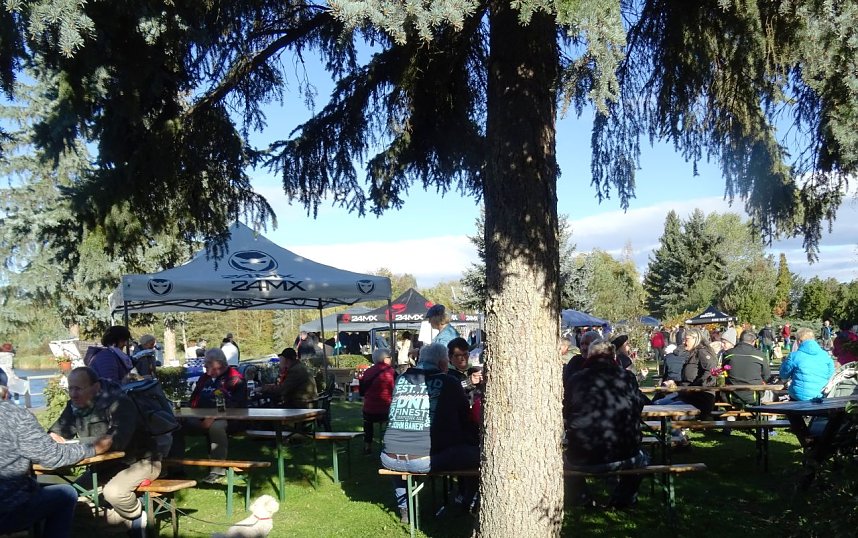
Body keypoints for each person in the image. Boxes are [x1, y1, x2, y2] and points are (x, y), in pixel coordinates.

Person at [48, 367, 159, 535]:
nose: (73, 394)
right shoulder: (75, 407)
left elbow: (114, 442)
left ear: (96, 387)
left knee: (113, 493)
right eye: (70, 388)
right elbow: (57, 432)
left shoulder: (120, 403)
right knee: (71, 499)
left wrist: (75, 447)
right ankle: (118, 523)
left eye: (78, 388)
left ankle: (136, 516)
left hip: (140, 462)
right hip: (102, 467)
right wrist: (52, 437)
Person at [381, 343, 478, 523]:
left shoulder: (402, 379)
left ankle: (404, 509)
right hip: (424, 459)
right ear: (443, 363)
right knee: (481, 456)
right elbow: (465, 416)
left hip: (388, 456)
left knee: (401, 448)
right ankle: (466, 502)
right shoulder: (449, 382)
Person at [0, 383, 113, 538]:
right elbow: (52, 456)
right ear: (5, 392)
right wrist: (93, 449)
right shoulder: (14, 415)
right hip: (8, 509)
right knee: (65, 494)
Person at [564, 341, 648, 508]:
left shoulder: (576, 379)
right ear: (614, 356)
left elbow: (567, 410)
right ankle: (624, 499)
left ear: (589, 356)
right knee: (644, 458)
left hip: (582, 454)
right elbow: (639, 404)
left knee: (562, 461)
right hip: (624, 453)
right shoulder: (627, 377)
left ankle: (582, 499)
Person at [180, 348, 247, 483]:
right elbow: (193, 400)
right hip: (201, 416)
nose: (204, 365)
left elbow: (235, 404)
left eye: (208, 362)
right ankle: (174, 467)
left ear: (218, 364)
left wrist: (213, 417)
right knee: (174, 424)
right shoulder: (204, 378)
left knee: (216, 427)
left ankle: (217, 469)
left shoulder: (235, 378)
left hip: (229, 419)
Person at [780, 328, 835, 401]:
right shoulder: (825, 355)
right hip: (821, 395)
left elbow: (783, 375)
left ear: (799, 341)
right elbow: (830, 374)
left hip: (799, 397)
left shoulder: (794, 356)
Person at [360, 348, 395, 455]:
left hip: (369, 410)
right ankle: (389, 445)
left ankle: (367, 446)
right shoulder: (392, 372)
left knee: (368, 423)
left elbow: (361, 392)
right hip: (387, 410)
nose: (391, 359)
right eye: (389, 357)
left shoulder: (367, 372)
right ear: (385, 359)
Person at [678, 328, 718, 419]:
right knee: (659, 403)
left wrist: (695, 386)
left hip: (699, 399)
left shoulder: (702, 352)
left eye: (686, 339)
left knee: (664, 407)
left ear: (696, 339)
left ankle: (676, 432)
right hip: (687, 396)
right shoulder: (693, 353)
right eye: (683, 339)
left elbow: (711, 371)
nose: (684, 342)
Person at [723, 330, 770, 406]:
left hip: (731, 396)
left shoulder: (728, 353)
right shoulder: (760, 355)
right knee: (770, 394)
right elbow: (767, 376)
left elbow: (723, 371)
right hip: (754, 396)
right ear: (753, 341)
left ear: (739, 340)